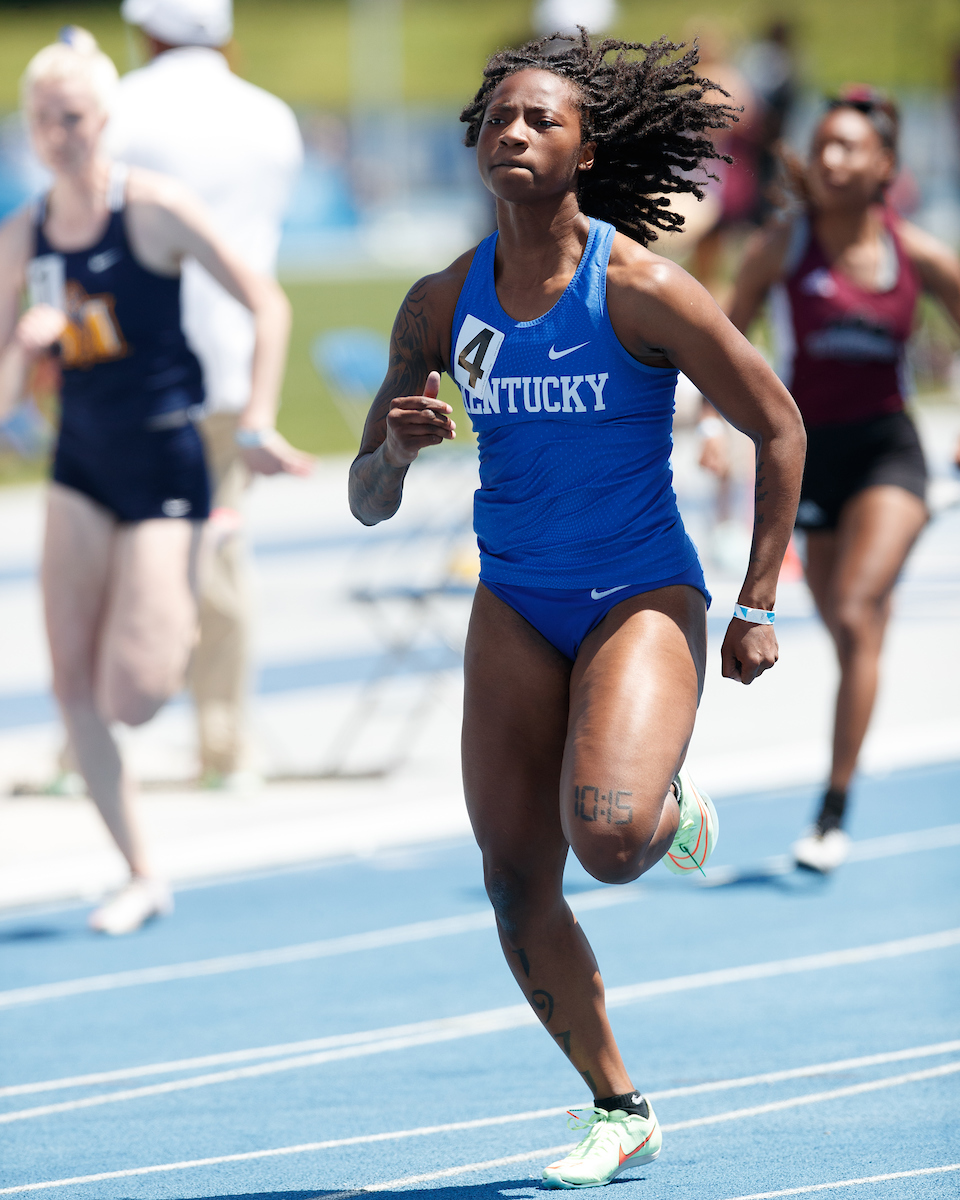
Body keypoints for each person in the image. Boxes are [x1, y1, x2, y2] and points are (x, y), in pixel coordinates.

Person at [349, 32, 804, 1187]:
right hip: (514, 600)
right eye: (500, 118)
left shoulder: (640, 286)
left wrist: (756, 602)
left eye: (543, 120)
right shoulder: (442, 303)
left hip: (638, 595)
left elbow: (778, 426)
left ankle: (662, 806)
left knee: (604, 840)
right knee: (513, 878)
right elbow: (364, 497)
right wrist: (394, 454)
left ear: (586, 150)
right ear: (475, 141)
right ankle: (620, 1102)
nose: (515, 133)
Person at [0, 29, 305, 933]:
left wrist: (254, 420)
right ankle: (140, 870)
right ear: (29, 128)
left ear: (108, 119)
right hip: (80, 464)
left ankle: (206, 541)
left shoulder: (155, 209)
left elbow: (268, 302)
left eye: (78, 116)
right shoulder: (24, 231)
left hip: (168, 459)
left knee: (133, 694)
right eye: (45, 120)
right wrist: (21, 367)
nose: (63, 134)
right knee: (73, 688)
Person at [728, 87, 960, 872]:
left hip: (890, 452)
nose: (831, 158)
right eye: (822, 144)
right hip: (809, 458)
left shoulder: (918, 254)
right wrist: (706, 424)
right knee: (847, 628)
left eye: (849, 147)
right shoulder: (782, 247)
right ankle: (847, 755)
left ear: (884, 166)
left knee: (858, 614)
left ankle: (832, 807)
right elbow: (718, 338)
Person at [105, 0, 305, 789]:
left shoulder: (122, 106)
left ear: (149, 29)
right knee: (218, 545)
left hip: (139, 360)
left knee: (124, 549)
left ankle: (101, 728)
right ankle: (223, 742)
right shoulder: (272, 119)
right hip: (238, 355)